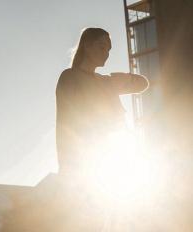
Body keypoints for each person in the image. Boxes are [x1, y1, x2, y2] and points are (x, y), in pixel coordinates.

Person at [56, 27, 149, 176]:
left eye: (109, 50)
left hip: (115, 160)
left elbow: (143, 83)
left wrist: (117, 79)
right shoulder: (70, 76)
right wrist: (67, 166)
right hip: (84, 162)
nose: (106, 53)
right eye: (102, 47)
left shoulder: (106, 82)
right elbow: (65, 123)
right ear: (86, 45)